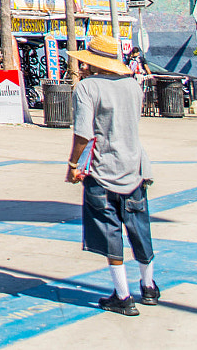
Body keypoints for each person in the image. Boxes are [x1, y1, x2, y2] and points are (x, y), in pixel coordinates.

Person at [67, 35, 157, 316]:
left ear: (92, 63)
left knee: (110, 233)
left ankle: (123, 295)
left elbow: (84, 132)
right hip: (135, 165)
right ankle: (149, 287)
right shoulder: (133, 85)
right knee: (139, 228)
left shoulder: (87, 88)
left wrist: (73, 164)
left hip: (103, 169)